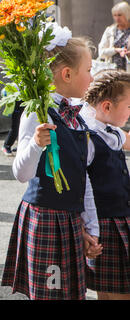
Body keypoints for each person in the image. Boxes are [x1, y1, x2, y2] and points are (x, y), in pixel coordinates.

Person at [1, 35, 103, 300]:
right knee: (49, 294)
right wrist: (35, 144)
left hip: (70, 219)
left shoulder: (78, 117)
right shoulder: (37, 113)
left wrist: (90, 227)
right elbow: (20, 174)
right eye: (89, 70)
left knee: (71, 294)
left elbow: (83, 177)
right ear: (67, 74)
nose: (92, 78)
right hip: (45, 218)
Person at [81, 70, 130, 300]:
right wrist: (88, 229)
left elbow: (126, 139)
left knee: (112, 291)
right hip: (104, 224)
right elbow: (82, 188)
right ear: (107, 106)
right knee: (114, 293)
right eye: (129, 107)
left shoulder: (111, 131)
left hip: (121, 217)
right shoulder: (89, 137)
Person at [98, 1, 130, 70]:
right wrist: (115, 50)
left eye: (119, 15)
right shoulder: (110, 31)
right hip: (112, 71)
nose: (117, 18)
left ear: (127, 14)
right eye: (115, 15)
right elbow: (101, 52)